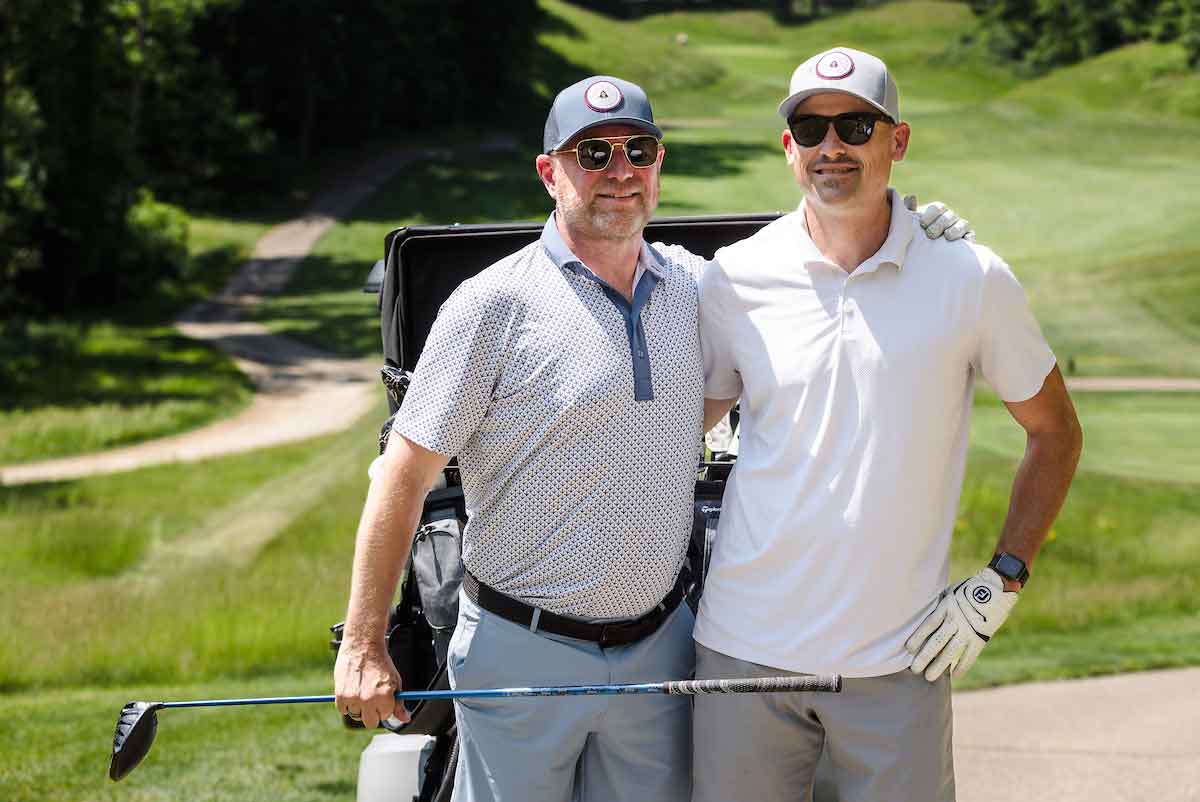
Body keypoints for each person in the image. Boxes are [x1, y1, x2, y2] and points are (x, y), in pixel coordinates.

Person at [335, 72, 968, 802]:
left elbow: (816, 278)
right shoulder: (492, 304)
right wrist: (365, 642)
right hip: (519, 649)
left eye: (638, 150)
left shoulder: (700, 288)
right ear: (549, 172)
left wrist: (909, 231)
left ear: (658, 164)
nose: (620, 171)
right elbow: (403, 477)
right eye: (593, 154)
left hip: (657, 653)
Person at [692, 47, 1083, 802]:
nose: (832, 147)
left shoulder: (970, 276)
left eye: (856, 126)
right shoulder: (733, 276)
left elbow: (1056, 432)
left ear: (896, 141)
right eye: (812, 129)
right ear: (788, 147)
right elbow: (676, 434)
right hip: (741, 657)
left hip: (900, 661)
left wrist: (1003, 579)